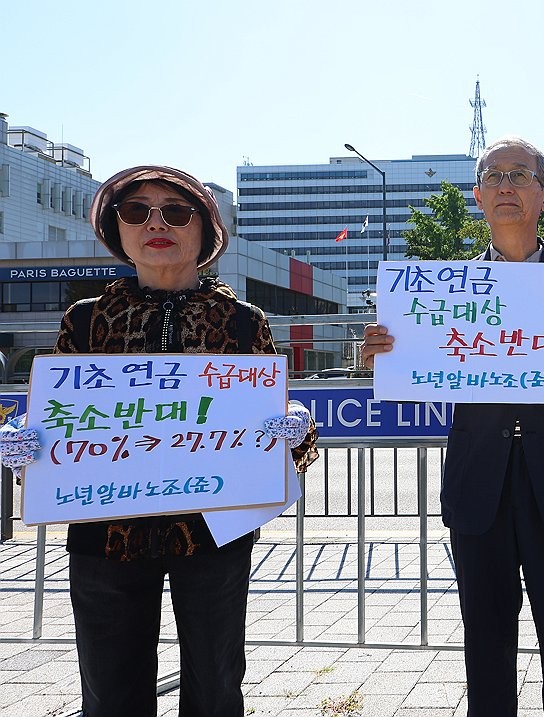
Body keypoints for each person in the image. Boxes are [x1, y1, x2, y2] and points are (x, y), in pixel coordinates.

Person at [1, 165, 319, 717]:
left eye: (175, 211)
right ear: (116, 230)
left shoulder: (242, 321)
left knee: (217, 686)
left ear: (206, 230)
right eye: (135, 211)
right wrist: (29, 444)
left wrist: (295, 425)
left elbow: (280, 426)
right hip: (105, 533)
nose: (156, 222)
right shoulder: (85, 320)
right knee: (109, 690)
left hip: (214, 531)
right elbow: (62, 416)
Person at [360, 137, 544, 717]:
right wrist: (386, 352)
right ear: (478, 196)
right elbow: (417, 371)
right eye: (494, 176)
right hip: (478, 480)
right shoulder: (442, 292)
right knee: (484, 640)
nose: (506, 185)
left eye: (520, 175)